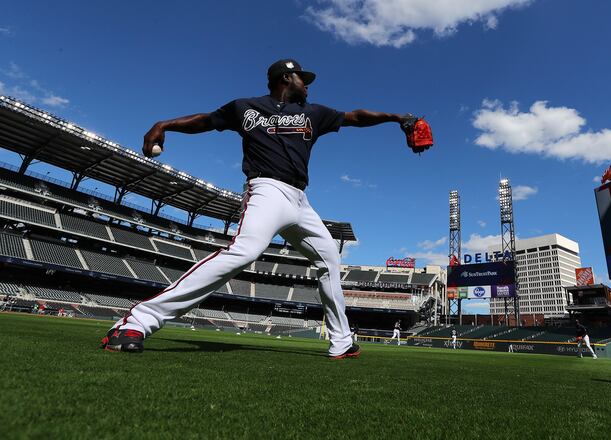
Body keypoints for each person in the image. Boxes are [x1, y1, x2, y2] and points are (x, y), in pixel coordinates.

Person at [101, 59, 418, 359]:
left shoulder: (313, 113)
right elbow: (206, 121)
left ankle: (342, 341)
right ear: (285, 78)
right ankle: (137, 322)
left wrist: (396, 118)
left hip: (300, 201)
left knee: (330, 260)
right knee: (246, 250)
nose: (307, 86)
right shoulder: (245, 107)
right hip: (266, 190)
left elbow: (356, 117)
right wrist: (165, 124)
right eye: (301, 79)